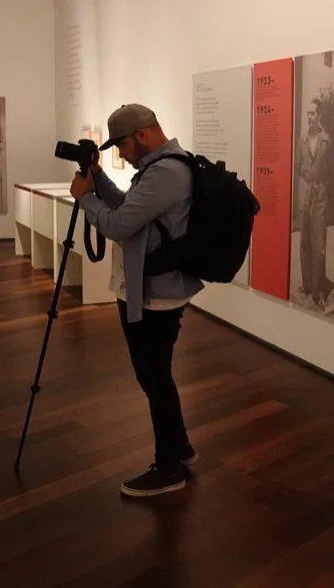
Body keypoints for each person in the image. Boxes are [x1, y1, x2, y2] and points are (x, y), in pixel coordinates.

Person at [68, 103, 204, 497]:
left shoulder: (165, 173)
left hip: (155, 297)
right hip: (151, 290)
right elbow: (128, 207)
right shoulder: (161, 169)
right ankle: (181, 447)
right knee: (157, 375)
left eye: (122, 146)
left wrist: (84, 199)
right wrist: (96, 178)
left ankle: (167, 469)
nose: (121, 154)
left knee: (154, 378)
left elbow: (118, 224)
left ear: (142, 135)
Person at [296, 97, 332, 311]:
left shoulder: (326, 141)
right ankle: (307, 284)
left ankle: (318, 291)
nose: (310, 117)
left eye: (313, 113)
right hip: (305, 193)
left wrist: (323, 189)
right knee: (304, 242)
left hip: (319, 194)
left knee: (318, 244)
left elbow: (332, 170)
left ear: (319, 115)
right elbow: (299, 167)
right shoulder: (301, 141)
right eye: (307, 114)